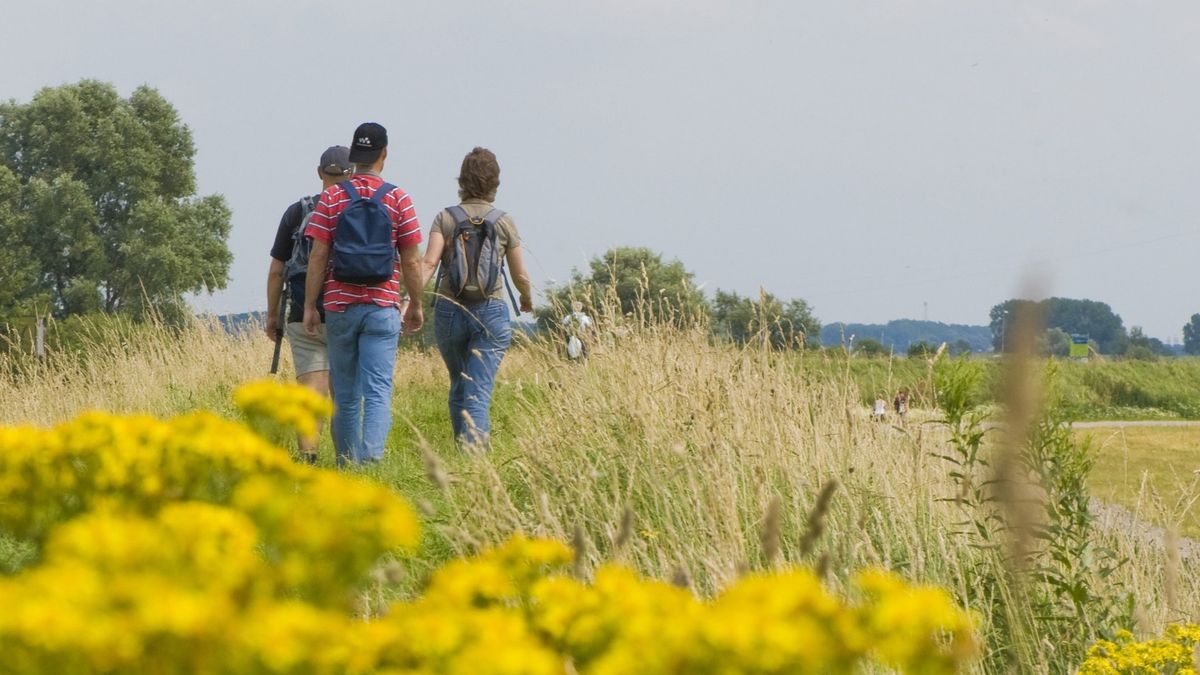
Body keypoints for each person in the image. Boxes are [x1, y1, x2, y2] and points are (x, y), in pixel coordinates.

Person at [303, 122, 424, 465]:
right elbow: (411, 260)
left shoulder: (332, 197)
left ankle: (346, 465)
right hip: (382, 306)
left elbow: (318, 256)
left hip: (340, 307)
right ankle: (370, 465)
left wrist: (310, 305)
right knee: (378, 390)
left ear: (355, 155)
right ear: (384, 154)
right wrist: (415, 303)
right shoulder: (399, 198)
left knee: (345, 394)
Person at [421, 147, 533, 451]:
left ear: (462, 180)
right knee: (478, 390)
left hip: (449, 308)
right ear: (495, 182)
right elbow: (520, 275)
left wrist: (411, 300)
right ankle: (474, 459)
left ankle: (463, 450)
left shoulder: (445, 217)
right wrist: (526, 298)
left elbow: (429, 263)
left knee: (459, 383)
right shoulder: (504, 221)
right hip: (491, 310)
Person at [264, 145, 351, 463]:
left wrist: (273, 316)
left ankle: (308, 464)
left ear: (319, 173)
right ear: (352, 174)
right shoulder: (359, 210)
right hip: (349, 310)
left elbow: (277, 270)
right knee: (344, 397)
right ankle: (347, 464)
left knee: (310, 395)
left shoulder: (297, 212)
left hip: (302, 314)